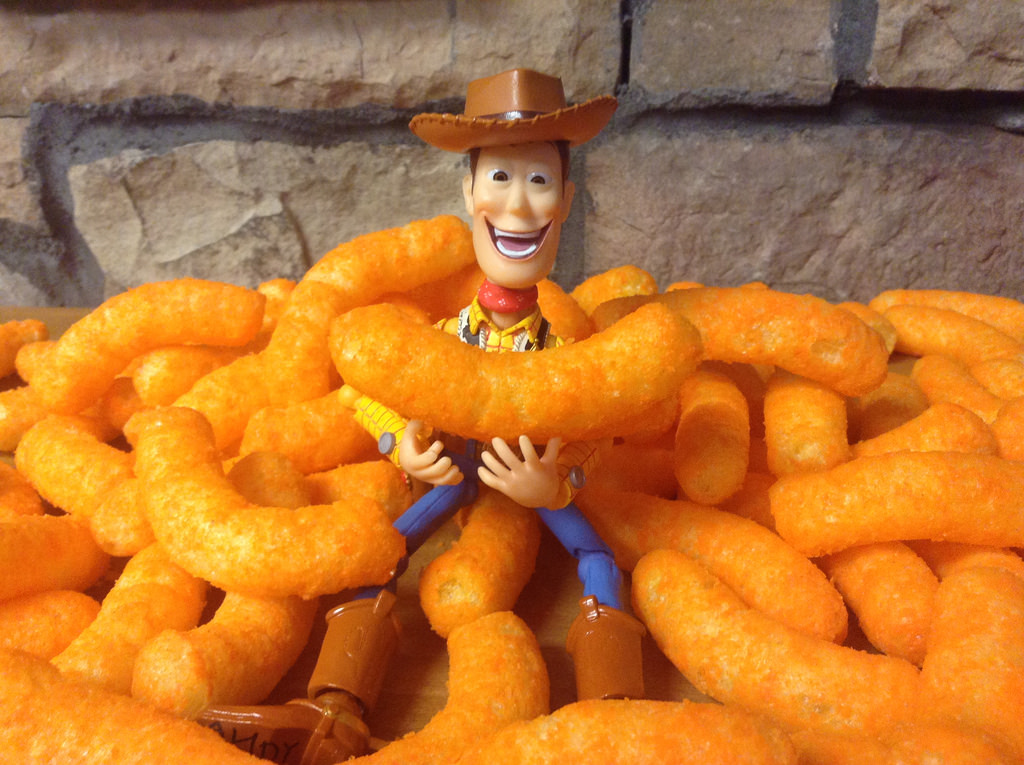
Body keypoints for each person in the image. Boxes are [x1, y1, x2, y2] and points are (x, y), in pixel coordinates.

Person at [310, 69, 646, 727]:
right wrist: (400, 443)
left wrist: (554, 485)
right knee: (382, 553)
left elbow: (596, 428)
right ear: (468, 192)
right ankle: (333, 706)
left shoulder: (562, 358)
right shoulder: (441, 340)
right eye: (499, 177)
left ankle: (617, 713)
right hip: (458, 470)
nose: (518, 206)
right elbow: (361, 391)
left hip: (529, 481)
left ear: (566, 200)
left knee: (599, 559)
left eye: (539, 180)